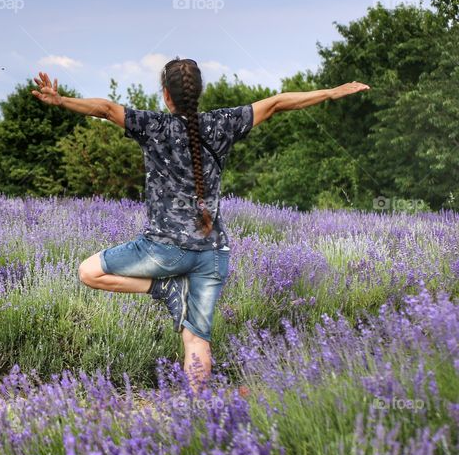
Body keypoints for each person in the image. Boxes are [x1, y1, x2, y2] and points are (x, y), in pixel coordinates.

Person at [31, 58, 369, 393]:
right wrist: (329, 92)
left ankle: (163, 289)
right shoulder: (223, 123)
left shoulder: (153, 126)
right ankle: (199, 413)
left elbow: (105, 109)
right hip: (213, 254)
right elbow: (278, 103)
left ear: (166, 94)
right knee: (196, 340)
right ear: (199, 92)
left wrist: (61, 101)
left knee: (89, 272)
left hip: (163, 250)